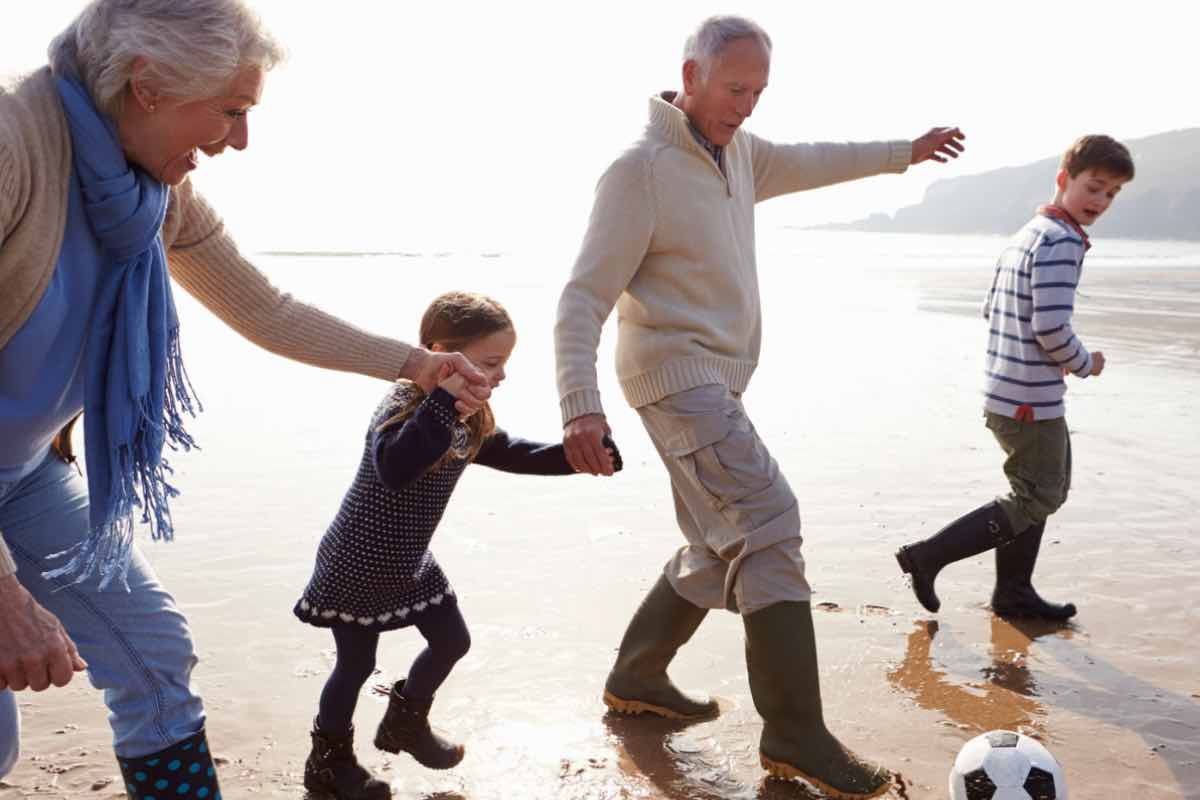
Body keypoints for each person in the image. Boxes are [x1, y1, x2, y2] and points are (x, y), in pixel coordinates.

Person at [0, 2, 489, 795]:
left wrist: (415, 364)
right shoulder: (13, 143)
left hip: (18, 475)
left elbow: (264, 308)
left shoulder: (149, 189)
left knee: (153, 652)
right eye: (232, 111)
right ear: (148, 84)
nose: (239, 140)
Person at [554, 14, 965, 799]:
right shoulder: (639, 170)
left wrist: (902, 155)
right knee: (769, 521)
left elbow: (815, 160)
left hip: (712, 381)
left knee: (721, 542)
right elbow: (581, 297)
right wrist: (580, 406)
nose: (746, 105)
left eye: (759, 92)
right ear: (691, 73)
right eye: (735, 88)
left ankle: (637, 677)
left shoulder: (740, 153)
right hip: (676, 378)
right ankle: (795, 734)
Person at [295, 292, 622, 800]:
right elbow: (397, 467)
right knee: (355, 666)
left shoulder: (468, 416)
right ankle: (328, 763)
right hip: (357, 561)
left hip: (409, 561)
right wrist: (443, 401)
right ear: (440, 353)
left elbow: (507, 451)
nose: (501, 376)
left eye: (504, 364)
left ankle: (405, 722)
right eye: (492, 363)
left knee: (452, 641)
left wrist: (575, 457)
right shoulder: (404, 403)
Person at [896, 135, 1134, 622]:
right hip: (1029, 398)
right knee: (1040, 492)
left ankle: (1013, 591)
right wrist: (1084, 361)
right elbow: (1049, 327)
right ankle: (928, 557)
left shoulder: (1029, 232)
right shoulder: (1062, 242)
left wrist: (1042, 354)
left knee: (1041, 486)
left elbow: (992, 308)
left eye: (1111, 193)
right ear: (1064, 180)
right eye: (1093, 187)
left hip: (1006, 388)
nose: (1100, 201)